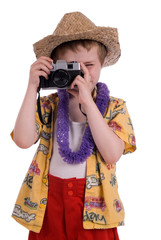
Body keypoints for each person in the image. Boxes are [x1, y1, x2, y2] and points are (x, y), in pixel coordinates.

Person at [11, 12, 136, 240]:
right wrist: (32, 88)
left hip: (96, 208)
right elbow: (22, 140)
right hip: (50, 200)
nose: (82, 73)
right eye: (72, 67)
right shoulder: (49, 105)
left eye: (89, 65)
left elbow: (112, 153)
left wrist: (88, 101)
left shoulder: (114, 107)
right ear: (57, 67)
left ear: (102, 63)